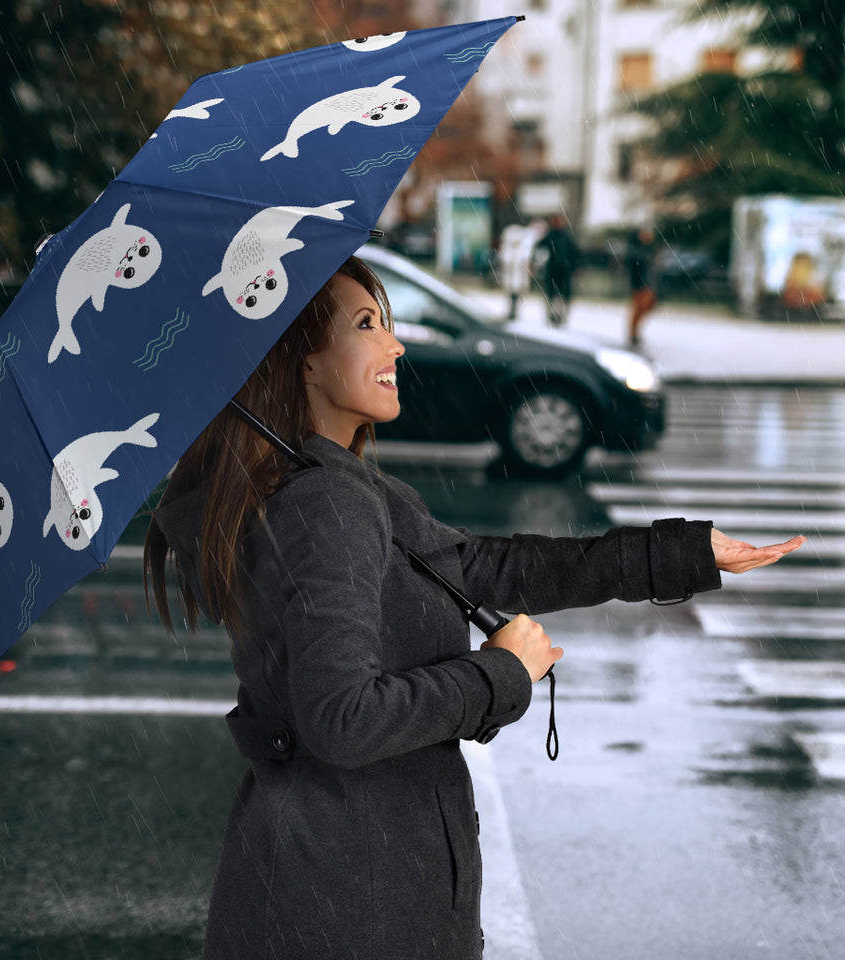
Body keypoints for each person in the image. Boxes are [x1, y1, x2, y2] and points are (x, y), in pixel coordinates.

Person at [144, 256, 804, 960]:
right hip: (351, 903)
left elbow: (489, 567)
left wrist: (681, 554)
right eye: (367, 325)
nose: (395, 345)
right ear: (301, 363)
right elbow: (341, 720)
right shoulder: (324, 504)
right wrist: (498, 673)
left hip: (336, 883)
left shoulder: (336, 489)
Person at [533, 213, 580, 327]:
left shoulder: (566, 237)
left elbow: (575, 253)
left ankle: (560, 316)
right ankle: (552, 315)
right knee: (552, 294)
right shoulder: (550, 236)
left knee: (562, 295)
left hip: (564, 271)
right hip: (553, 270)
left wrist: (575, 267)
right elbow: (539, 249)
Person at [626, 226, 657, 347]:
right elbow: (635, 265)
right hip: (639, 284)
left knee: (647, 306)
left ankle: (635, 331)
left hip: (648, 283)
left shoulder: (648, 249)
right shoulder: (635, 250)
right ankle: (633, 333)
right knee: (639, 308)